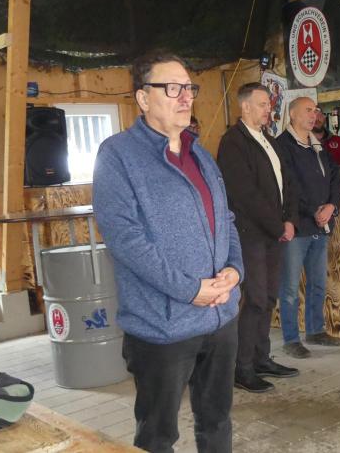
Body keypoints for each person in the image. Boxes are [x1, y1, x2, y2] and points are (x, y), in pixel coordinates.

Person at [92, 52, 243, 453]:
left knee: (217, 422)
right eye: (171, 88)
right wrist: (189, 290)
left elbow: (225, 218)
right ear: (143, 98)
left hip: (220, 316)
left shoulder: (200, 154)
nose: (185, 97)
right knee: (158, 435)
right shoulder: (118, 156)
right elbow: (125, 240)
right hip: (163, 327)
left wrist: (234, 270)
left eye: (189, 88)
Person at [217, 82, 300, 393]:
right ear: (245, 107)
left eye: (269, 104)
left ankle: (262, 357)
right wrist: (278, 226)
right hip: (250, 234)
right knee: (253, 299)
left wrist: (290, 219)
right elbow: (244, 194)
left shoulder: (269, 140)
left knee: (268, 297)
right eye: (263, 104)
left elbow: (287, 183)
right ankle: (243, 367)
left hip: (274, 233)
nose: (269, 109)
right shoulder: (233, 143)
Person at [275, 96, 340, 359]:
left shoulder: (319, 145)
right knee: (290, 287)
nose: (314, 114)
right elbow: (288, 186)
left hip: (322, 223)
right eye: (307, 110)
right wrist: (311, 210)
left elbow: (335, 176)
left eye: (315, 110)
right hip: (298, 225)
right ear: (292, 115)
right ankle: (291, 339)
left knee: (318, 283)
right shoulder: (282, 146)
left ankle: (316, 330)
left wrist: (331, 206)